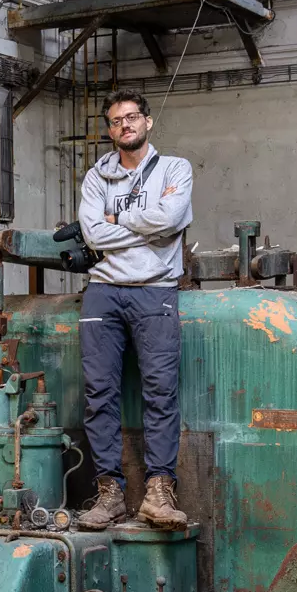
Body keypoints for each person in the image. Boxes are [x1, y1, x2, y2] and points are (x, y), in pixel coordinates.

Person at [74, 88, 194, 531]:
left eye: (131, 117)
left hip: (154, 288)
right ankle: (110, 495)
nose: (124, 125)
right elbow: (92, 235)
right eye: (116, 120)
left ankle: (158, 492)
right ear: (110, 131)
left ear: (147, 121)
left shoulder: (174, 169)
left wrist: (116, 221)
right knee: (99, 394)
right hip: (103, 291)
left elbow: (170, 219)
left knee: (160, 393)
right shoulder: (96, 178)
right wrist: (148, 229)